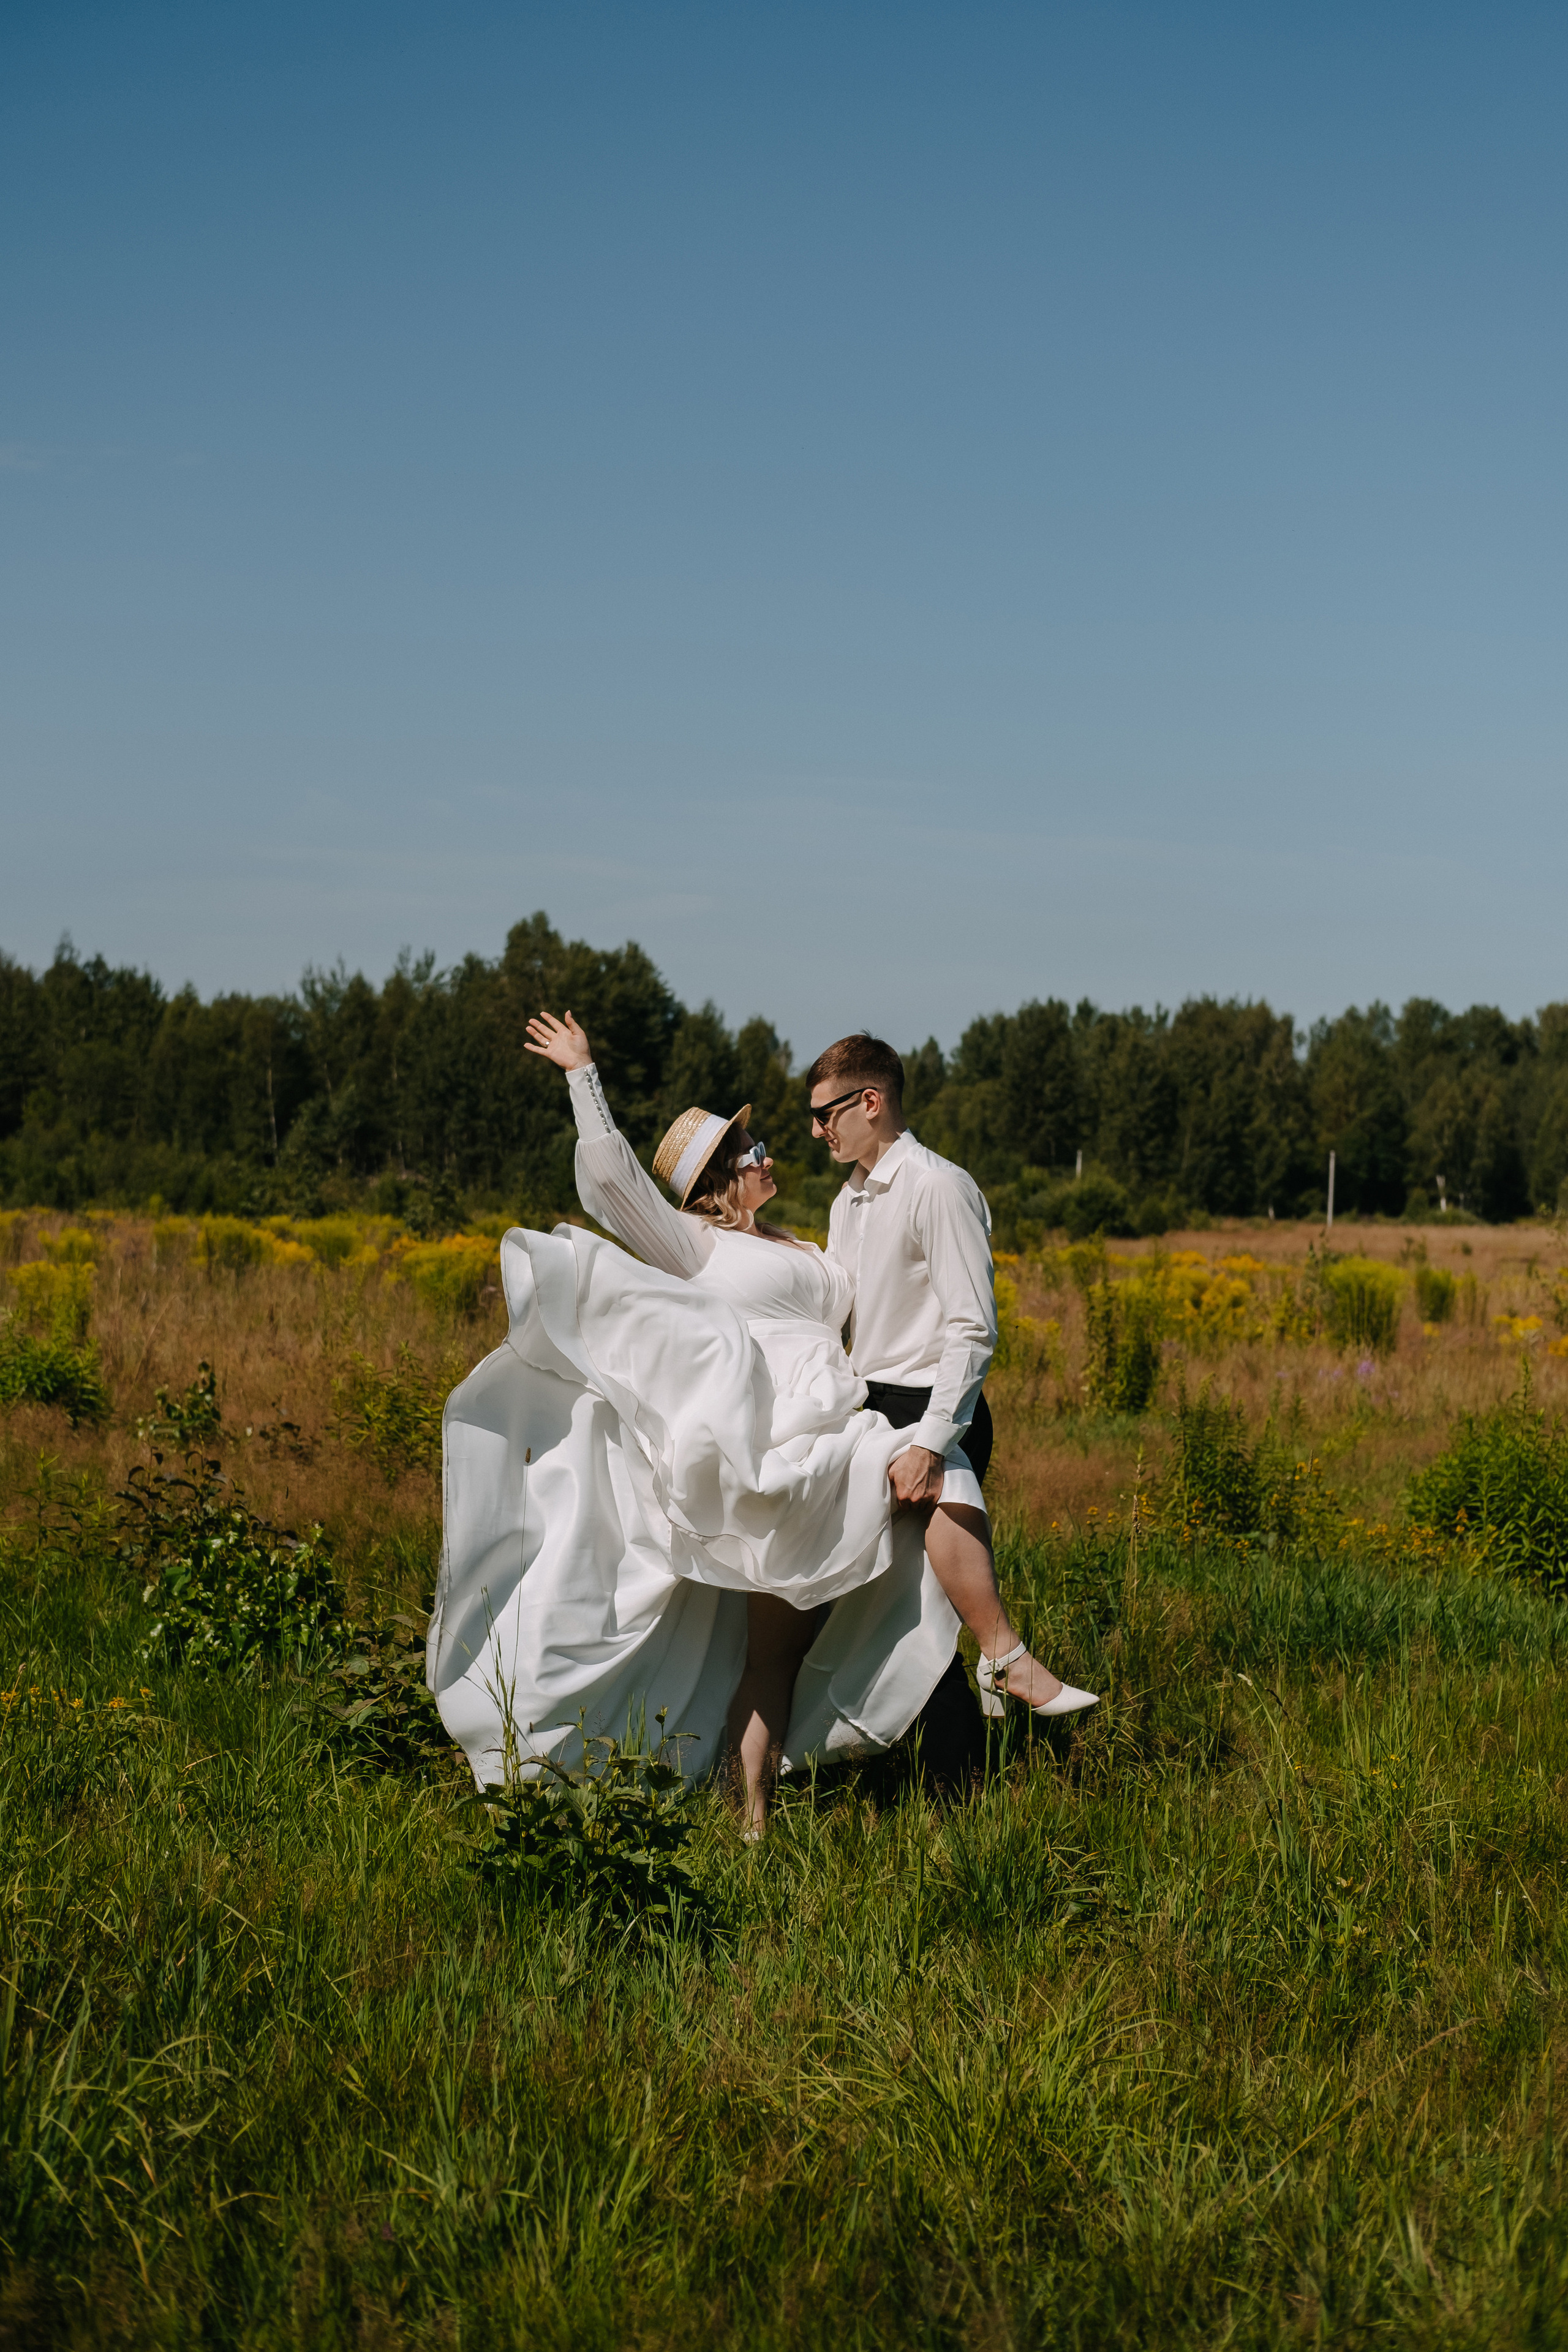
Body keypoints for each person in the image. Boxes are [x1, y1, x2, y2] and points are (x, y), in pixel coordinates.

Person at [809, 1031, 1096, 1720]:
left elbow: (971, 1325)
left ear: (870, 1102)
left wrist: (931, 1442)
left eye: (825, 1114)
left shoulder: (938, 1187)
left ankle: (959, 1777)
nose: (817, 1131)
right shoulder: (846, 1201)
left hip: (931, 1408)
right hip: (871, 1411)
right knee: (888, 1605)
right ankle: (949, 1755)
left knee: (921, 1608)